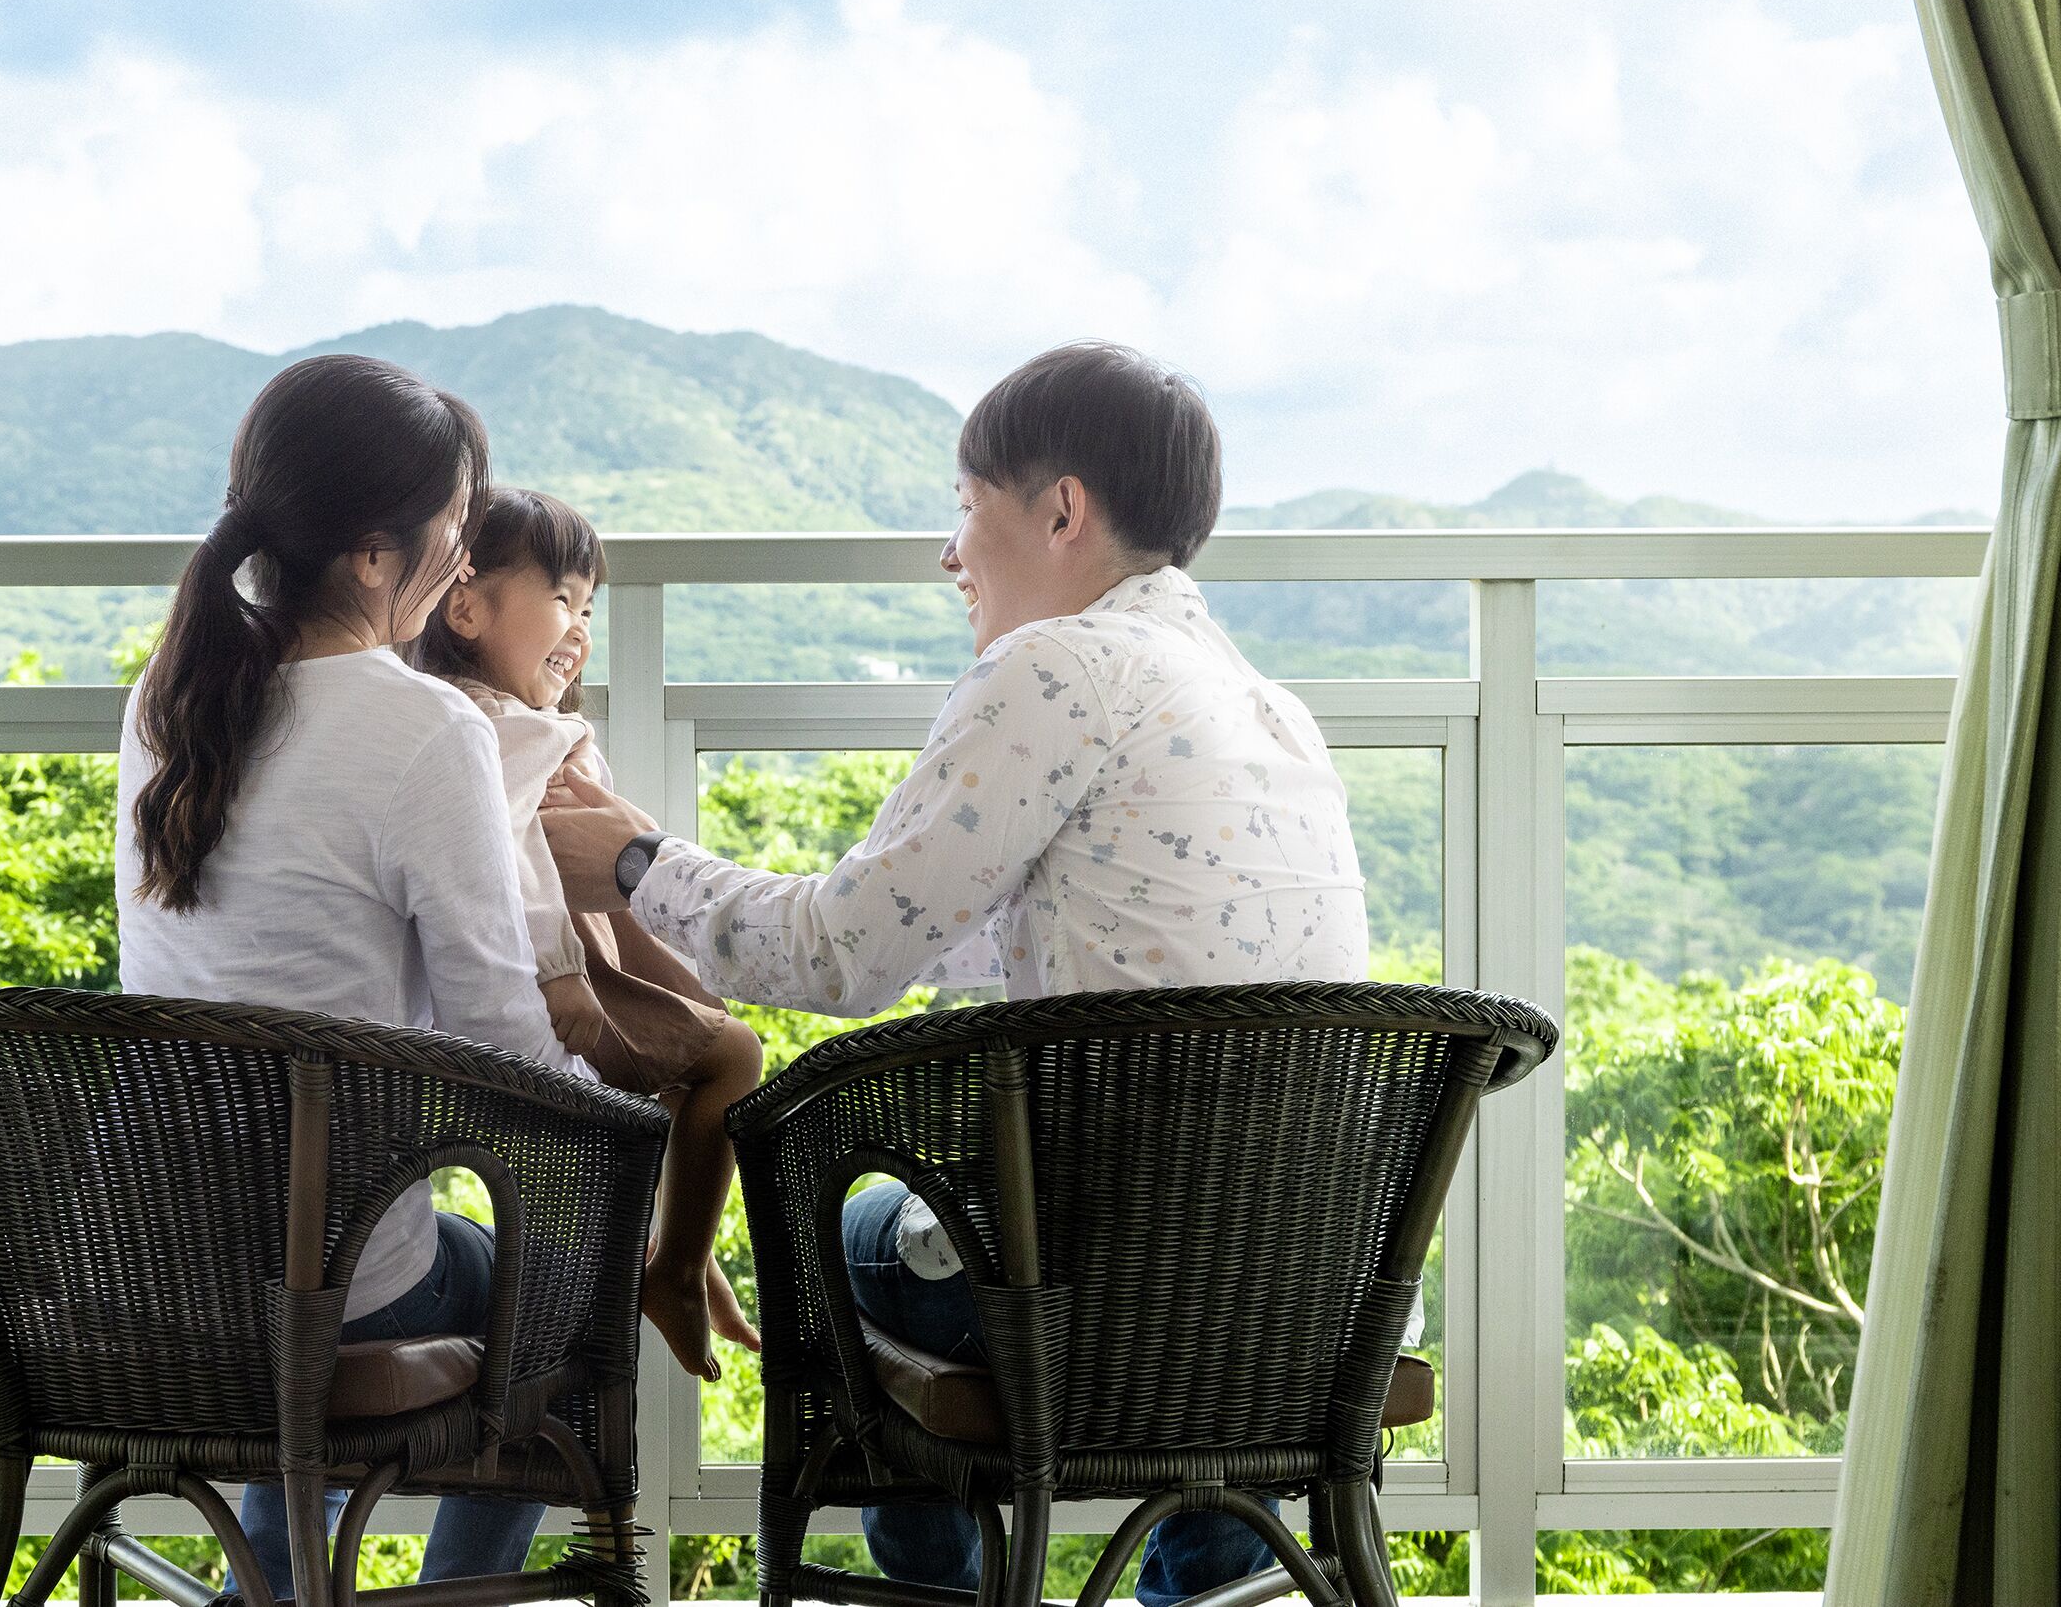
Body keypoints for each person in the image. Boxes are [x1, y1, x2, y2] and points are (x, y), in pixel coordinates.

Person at [542, 342, 1369, 1607]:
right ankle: (1203, 1595)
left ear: (1061, 510)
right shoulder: (1270, 709)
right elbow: (1028, 929)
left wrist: (639, 864)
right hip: (1305, 1296)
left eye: (965, 506)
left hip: (1099, 1302)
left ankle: (949, 1600)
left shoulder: (1058, 668)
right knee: (1154, 1265)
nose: (950, 553)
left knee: (848, 1236)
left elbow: (844, 956)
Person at [118, 353, 564, 1600]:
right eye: (458, 530)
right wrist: (624, 1109)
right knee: (559, 1290)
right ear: (376, 556)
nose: (463, 561)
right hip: (333, 1282)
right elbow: (501, 1044)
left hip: (153, 1256)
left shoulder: (169, 695)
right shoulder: (425, 726)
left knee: (310, 1241)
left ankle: (276, 1578)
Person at [405, 486, 765, 1381]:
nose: (581, 626)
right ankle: (678, 1266)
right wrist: (562, 971)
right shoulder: (490, 724)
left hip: (587, 947)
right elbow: (508, 854)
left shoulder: (493, 715)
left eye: (590, 607)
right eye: (562, 599)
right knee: (733, 1057)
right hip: (556, 966)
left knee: (693, 1050)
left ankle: (671, 1249)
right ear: (467, 604)